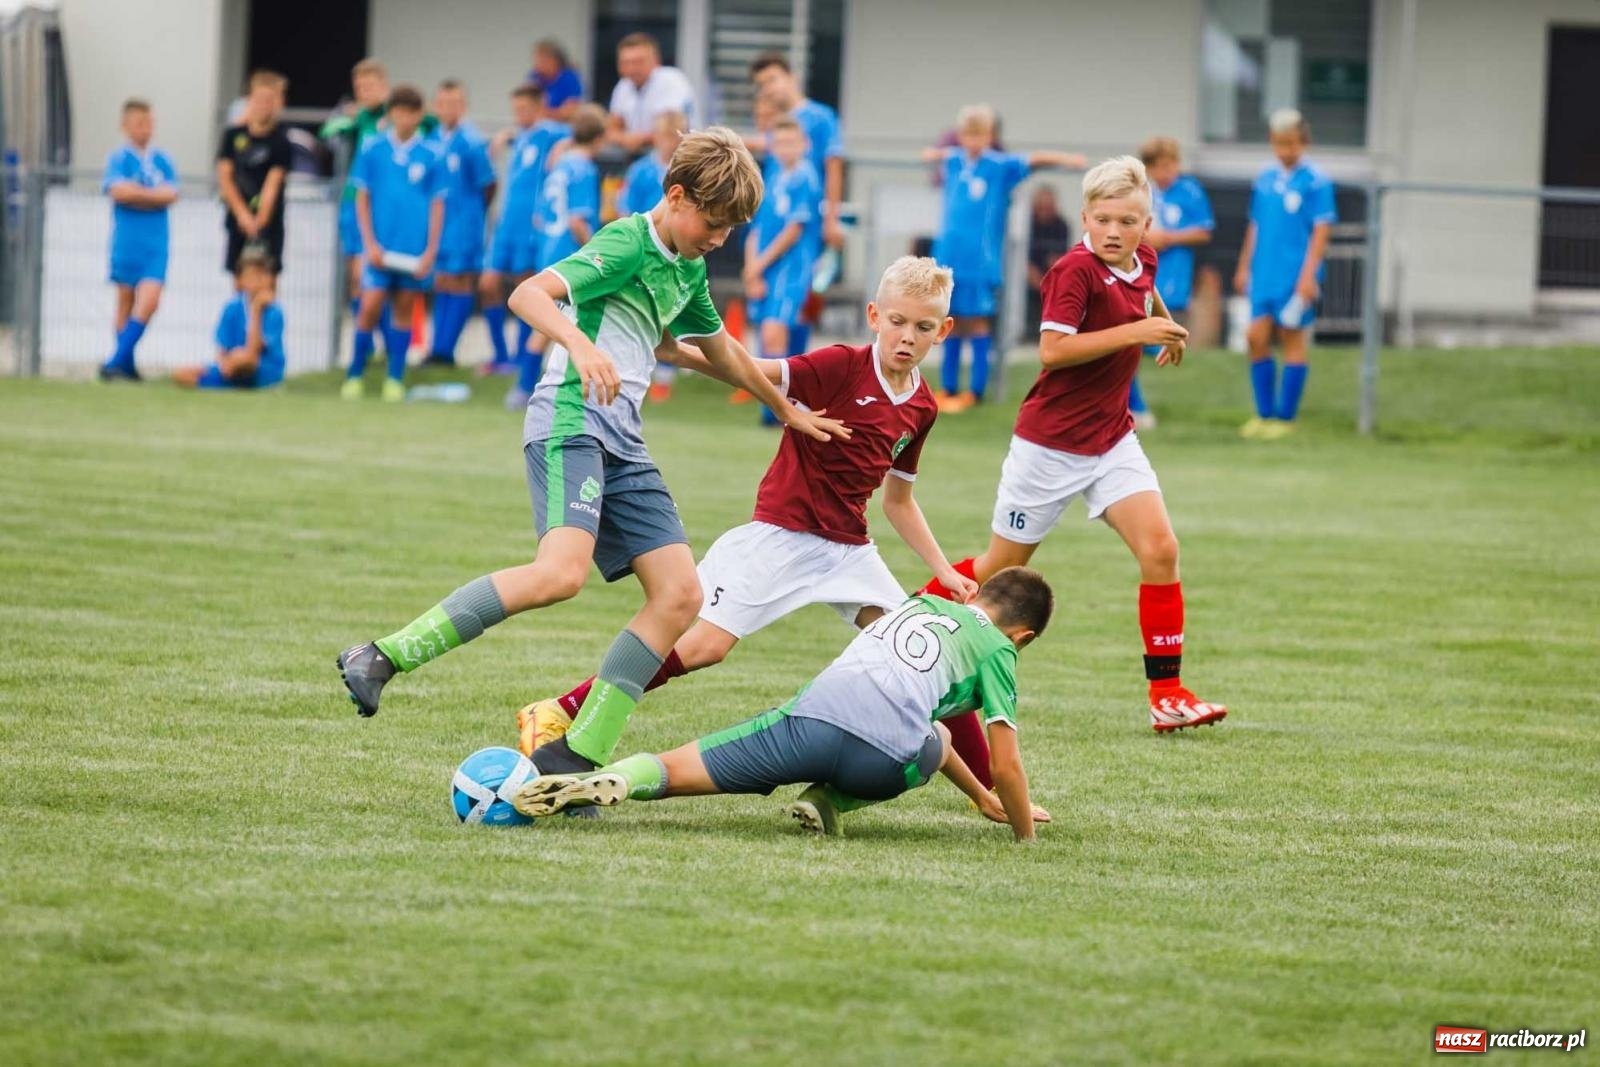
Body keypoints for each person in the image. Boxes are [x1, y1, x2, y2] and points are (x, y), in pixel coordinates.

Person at [336, 129, 846, 797]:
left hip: (623, 438)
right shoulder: (627, 241)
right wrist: (579, 343)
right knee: (560, 574)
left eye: (731, 230)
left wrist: (783, 407)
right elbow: (528, 294)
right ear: (676, 196)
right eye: (714, 223)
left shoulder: (686, 268)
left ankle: (574, 759)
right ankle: (382, 655)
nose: (720, 239)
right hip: (571, 419)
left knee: (681, 595)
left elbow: (717, 350)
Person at [519, 257, 1026, 814]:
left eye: (923, 327)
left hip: (849, 551)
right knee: (705, 647)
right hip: (779, 537)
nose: (907, 337)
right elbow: (752, 370)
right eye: (897, 322)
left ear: (944, 330)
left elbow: (898, 501)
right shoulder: (841, 366)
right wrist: (677, 353)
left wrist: (943, 569)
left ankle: (990, 792)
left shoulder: (923, 406)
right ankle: (560, 708)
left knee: (922, 652)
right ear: (874, 316)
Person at [918, 156, 1226, 767]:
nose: (1115, 231)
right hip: (1049, 447)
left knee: (1161, 549)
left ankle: (1166, 696)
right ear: (1085, 217)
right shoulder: (1072, 271)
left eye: (1128, 221)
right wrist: (1138, 334)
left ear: (1146, 225)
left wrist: (1167, 327)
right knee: (999, 568)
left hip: (1111, 440)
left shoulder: (1143, 259)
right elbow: (1053, 351)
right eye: (1103, 219)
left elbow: (1145, 291)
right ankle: (905, 624)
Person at [511, 567, 1053, 844]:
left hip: (808, 723)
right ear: (1022, 636)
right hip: (881, 761)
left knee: (675, 769)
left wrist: (980, 795)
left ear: (974, 594)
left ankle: (616, 780)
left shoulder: (923, 603)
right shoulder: (999, 649)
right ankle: (830, 800)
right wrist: (1019, 829)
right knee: (932, 738)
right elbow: (1004, 763)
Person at [926, 105, 1085, 412]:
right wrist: (931, 154)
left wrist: (1067, 160)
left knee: (977, 321)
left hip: (980, 261)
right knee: (948, 319)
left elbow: (1035, 159)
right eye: (968, 134)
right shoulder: (954, 161)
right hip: (949, 256)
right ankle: (948, 388)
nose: (973, 140)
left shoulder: (999, 166)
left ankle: (976, 390)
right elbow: (935, 155)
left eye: (979, 134)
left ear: (990, 136)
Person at [1234, 109, 1336, 440]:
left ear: (1304, 142)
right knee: (1255, 337)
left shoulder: (1316, 181)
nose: (1285, 150)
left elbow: (1321, 230)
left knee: (1292, 338)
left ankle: (1285, 418)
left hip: (1294, 276)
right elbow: (1255, 225)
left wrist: (1308, 277)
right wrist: (1244, 265)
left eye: (1291, 143)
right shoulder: (1264, 179)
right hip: (1263, 273)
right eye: (1279, 143)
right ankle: (1264, 414)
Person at [340, 85, 446, 402]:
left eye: (411, 113)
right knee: (369, 306)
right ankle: (354, 375)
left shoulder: (432, 154)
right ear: (391, 114)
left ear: (419, 115)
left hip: (412, 249)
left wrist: (430, 250)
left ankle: (395, 378)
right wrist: (368, 243)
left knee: (404, 309)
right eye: (399, 112)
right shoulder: (373, 148)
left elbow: (438, 204)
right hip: (379, 248)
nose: (405, 118)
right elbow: (362, 197)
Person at [508, 103, 607, 408]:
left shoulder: (560, 165)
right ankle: (525, 389)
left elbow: (540, 217)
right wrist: (598, 253)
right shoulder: (584, 169)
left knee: (551, 323)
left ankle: (529, 387)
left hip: (548, 250)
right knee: (555, 325)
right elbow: (577, 220)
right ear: (599, 138)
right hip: (569, 255)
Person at [479, 84, 568, 377]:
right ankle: (500, 354)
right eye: (516, 109)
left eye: (525, 108)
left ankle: (520, 357)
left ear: (540, 106)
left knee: (525, 287)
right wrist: (506, 135)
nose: (520, 114)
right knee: (488, 284)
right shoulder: (521, 136)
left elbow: (582, 133)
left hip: (529, 226)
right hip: (506, 223)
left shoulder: (550, 132)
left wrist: (564, 146)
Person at [741, 115, 822, 419]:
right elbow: (757, 229)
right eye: (780, 142)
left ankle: (780, 411)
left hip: (791, 267)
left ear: (804, 145)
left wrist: (758, 265)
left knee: (775, 331)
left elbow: (793, 230)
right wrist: (751, 268)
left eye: (792, 142)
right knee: (770, 332)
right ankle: (784, 406)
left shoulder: (806, 178)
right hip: (765, 267)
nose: (785, 148)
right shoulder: (773, 177)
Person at [1134, 136, 1214, 431]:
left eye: (1171, 165)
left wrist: (1169, 238)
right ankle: (1135, 408)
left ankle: (1132, 407)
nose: (1167, 172)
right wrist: (1145, 239)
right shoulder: (1141, 193)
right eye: (1160, 166)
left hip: (1174, 281)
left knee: (1150, 342)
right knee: (1128, 345)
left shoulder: (1190, 191)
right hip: (1141, 278)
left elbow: (1204, 231)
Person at [97, 98, 177, 383]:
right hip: (126, 241)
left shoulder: (162, 160)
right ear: (125, 126)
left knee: (150, 300)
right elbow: (118, 191)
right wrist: (151, 197)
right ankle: (126, 367)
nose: (145, 128)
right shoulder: (118, 158)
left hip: (155, 243)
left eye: (148, 123)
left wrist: (137, 195)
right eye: (139, 123)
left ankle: (115, 360)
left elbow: (170, 194)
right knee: (125, 301)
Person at [424, 79, 496, 367]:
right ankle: (437, 347)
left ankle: (445, 350)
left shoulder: (471, 141)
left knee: (460, 280)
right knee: (442, 279)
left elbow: (488, 183)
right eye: (443, 103)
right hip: (439, 224)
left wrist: (473, 213)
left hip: (464, 223)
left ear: (463, 106)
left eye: (454, 103)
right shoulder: (433, 138)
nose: (448, 109)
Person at [748, 51, 846, 253]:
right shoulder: (775, 121)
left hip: (802, 221)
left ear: (791, 77)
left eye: (772, 80)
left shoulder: (822, 117)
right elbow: (758, 144)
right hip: (772, 218)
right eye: (761, 85)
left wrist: (831, 220)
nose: (768, 89)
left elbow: (834, 168)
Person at [618, 111, 686, 402]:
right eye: (663, 136)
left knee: (667, 309)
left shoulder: (686, 171)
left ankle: (664, 377)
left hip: (674, 251)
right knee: (638, 307)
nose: (668, 142)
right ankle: (633, 369)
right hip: (644, 249)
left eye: (674, 137)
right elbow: (625, 207)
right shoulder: (641, 170)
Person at [172, 248, 286, 389]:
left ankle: (223, 383)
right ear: (241, 279)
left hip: (263, 368)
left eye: (263, 275)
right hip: (232, 365)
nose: (258, 281)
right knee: (182, 373)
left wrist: (256, 311)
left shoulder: (274, 312)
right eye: (252, 275)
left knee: (244, 358)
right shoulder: (232, 307)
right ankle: (224, 383)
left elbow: (253, 352)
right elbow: (222, 348)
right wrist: (225, 363)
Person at [216, 70, 291, 275]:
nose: (263, 105)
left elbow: (272, 184)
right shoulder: (233, 135)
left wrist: (259, 221)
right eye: (259, 99)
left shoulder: (281, 141)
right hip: (237, 218)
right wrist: (242, 215)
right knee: (239, 278)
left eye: (269, 100)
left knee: (266, 279)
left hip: (268, 222)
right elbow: (225, 177)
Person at [606, 33, 696, 153]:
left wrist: (636, 139)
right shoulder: (623, 86)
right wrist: (625, 139)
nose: (632, 68)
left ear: (655, 61)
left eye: (638, 62)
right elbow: (612, 129)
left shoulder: (671, 80)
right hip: (641, 155)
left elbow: (670, 133)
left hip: (681, 154)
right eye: (626, 62)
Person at [1025, 184, 1072, 332]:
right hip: (1028, 273)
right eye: (1041, 208)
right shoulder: (1026, 225)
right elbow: (1020, 259)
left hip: (1049, 273)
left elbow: (1061, 257)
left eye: (1048, 208)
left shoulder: (1061, 225)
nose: (1045, 212)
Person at [529, 38, 584, 121]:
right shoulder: (534, 76)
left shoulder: (570, 78)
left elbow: (570, 111)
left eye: (542, 60)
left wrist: (544, 113)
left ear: (554, 60)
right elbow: (528, 107)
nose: (537, 64)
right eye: (536, 60)